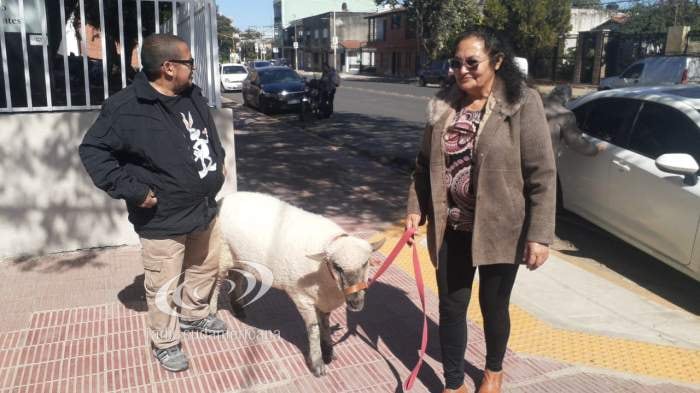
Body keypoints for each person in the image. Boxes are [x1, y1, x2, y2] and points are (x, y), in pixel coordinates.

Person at [405, 28, 556, 393]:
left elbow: (542, 171)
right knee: (452, 309)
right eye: (456, 63)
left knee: (494, 306)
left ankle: (493, 371)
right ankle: (453, 381)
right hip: (451, 227)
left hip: (501, 229)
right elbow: (423, 165)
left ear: (498, 61)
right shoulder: (442, 105)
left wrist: (539, 234)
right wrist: (415, 208)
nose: (462, 70)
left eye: (472, 62)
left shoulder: (522, 102)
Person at [79, 34, 228, 372]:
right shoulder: (125, 108)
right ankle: (165, 342)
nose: (194, 68)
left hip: (204, 206)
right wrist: (133, 191)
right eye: (189, 62)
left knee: (204, 267)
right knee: (163, 284)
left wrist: (219, 161)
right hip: (162, 217)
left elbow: (203, 133)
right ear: (169, 67)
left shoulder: (191, 93)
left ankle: (194, 315)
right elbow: (92, 151)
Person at [542, 84, 600, 157]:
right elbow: (574, 141)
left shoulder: (538, 102)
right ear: (567, 99)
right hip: (543, 159)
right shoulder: (565, 114)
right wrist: (594, 149)